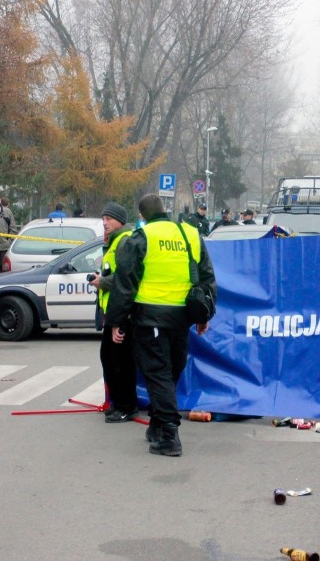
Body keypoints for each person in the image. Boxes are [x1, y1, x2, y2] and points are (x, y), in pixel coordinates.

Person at [106, 194, 216, 456]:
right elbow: (207, 277)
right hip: (182, 318)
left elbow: (124, 284)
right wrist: (203, 317)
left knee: (158, 374)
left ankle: (169, 436)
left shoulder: (141, 238)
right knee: (171, 370)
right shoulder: (189, 234)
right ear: (164, 210)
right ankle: (157, 424)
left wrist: (116, 321)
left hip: (151, 317)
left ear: (142, 216)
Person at [87, 202, 138, 423]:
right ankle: (118, 403)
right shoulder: (114, 242)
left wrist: (103, 282)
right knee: (108, 358)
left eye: (109, 219)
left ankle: (127, 406)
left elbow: (126, 279)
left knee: (121, 362)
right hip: (112, 312)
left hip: (122, 313)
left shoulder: (125, 241)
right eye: (103, 219)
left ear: (120, 221)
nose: (104, 223)